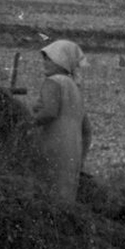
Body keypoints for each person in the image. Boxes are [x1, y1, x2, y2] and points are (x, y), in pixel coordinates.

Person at [30, 39, 93, 203]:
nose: (44, 63)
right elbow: (87, 130)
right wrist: (81, 157)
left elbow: (49, 112)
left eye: (49, 58)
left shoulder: (54, 82)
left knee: (45, 194)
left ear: (62, 61)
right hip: (72, 152)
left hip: (52, 147)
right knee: (63, 199)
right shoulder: (74, 88)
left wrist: (27, 123)